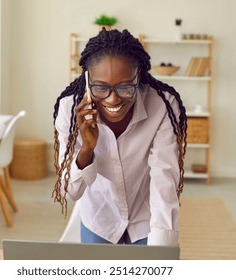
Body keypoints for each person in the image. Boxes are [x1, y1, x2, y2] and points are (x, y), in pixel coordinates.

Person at [52, 28, 187, 246]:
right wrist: (86, 148)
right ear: (87, 81)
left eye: (125, 87)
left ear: (139, 76)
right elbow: (69, 191)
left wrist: (162, 252)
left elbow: (164, 178)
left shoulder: (162, 105)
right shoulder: (69, 109)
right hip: (99, 217)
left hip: (147, 215)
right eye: (101, 88)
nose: (113, 99)